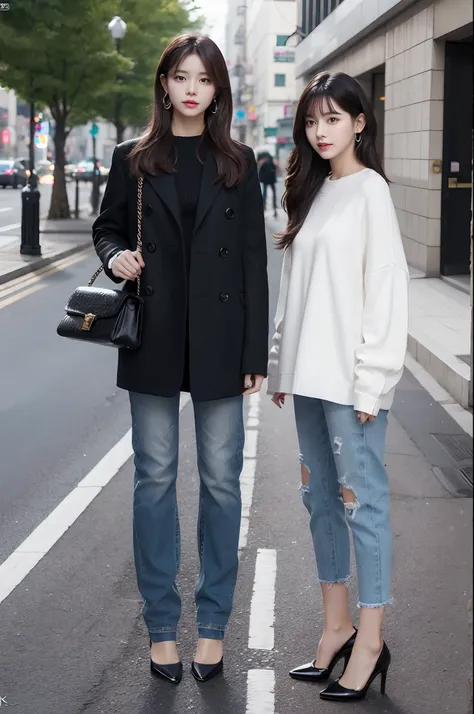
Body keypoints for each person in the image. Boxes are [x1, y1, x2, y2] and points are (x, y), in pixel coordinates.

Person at [93, 34, 268, 685]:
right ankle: (163, 628)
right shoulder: (132, 159)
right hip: (156, 336)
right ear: (164, 84)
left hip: (222, 342)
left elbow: (253, 262)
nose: (191, 88)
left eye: (204, 78)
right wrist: (115, 257)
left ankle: (214, 625)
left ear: (217, 89)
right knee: (155, 481)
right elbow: (107, 226)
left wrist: (256, 353)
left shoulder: (240, 162)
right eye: (181, 77)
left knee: (223, 485)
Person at [268, 72, 409, 702]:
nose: (320, 131)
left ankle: (372, 641)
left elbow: (385, 291)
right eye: (312, 121)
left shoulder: (371, 192)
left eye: (333, 119)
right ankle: (335, 629)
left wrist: (372, 381)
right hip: (308, 377)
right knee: (319, 503)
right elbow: (296, 287)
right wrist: (280, 364)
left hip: (352, 383)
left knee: (363, 507)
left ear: (360, 122)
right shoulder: (316, 189)